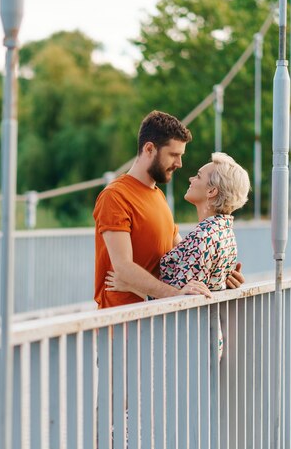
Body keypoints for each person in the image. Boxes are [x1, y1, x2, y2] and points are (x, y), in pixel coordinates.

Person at [93, 110, 244, 309]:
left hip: (156, 322)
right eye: (174, 155)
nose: (179, 164)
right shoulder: (115, 196)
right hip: (124, 324)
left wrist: (223, 274)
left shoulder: (158, 196)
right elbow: (123, 269)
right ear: (149, 149)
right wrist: (175, 295)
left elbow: (184, 254)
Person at [106, 152, 251, 300]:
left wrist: (130, 286)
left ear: (212, 191)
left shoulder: (202, 238)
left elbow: (179, 299)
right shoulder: (225, 234)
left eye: (198, 176)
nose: (191, 179)